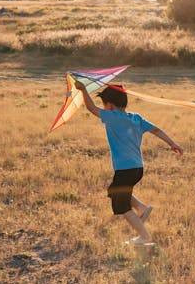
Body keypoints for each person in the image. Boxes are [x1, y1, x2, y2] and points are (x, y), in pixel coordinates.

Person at [74, 81, 183, 245]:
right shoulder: (136, 118)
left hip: (125, 169)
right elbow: (157, 130)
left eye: (104, 104)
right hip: (137, 168)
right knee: (115, 191)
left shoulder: (111, 117)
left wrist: (83, 90)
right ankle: (142, 208)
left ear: (109, 105)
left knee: (122, 206)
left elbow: (91, 108)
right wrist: (172, 143)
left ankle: (144, 237)